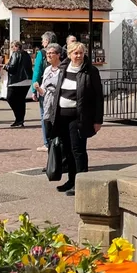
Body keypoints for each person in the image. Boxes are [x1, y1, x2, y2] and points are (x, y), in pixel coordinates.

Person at [43, 42, 104, 196]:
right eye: (75, 53)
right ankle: (71, 180)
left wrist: (98, 120)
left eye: (81, 53)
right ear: (69, 54)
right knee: (67, 150)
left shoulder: (91, 71)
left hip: (79, 117)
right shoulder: (63, 68)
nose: (78, 56)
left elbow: (98, 97)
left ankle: (81, 184)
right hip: (62, 116)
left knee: (78, 150)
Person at [31, 31, 57, 149]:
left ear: (47, 41)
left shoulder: (41, 53)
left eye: (43, 40)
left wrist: (34, 90)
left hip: (45, 88)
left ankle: (47, 142)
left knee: (44, 115)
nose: (42, 43)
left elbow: (37, 72)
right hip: (58, 87)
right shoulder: (61, 51)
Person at [36, 43, 62, 153]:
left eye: (51, 53)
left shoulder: (63, 70)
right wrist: (37, 88)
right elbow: (43, 91)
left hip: (59, 106)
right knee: (49, 133)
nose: (49, 55)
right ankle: (52, 158)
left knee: (59, 134)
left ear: (58, 55)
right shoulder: (47, 70)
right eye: (47, 53)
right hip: (47, 106)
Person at [5, 40, 33, 128]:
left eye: (12, 47)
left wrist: (6, 66)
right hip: (27, 80)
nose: (11, 49)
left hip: (16, 81)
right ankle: (20, 119)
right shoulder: (27, 54)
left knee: (10, 98)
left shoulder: (15, 54)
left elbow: (12, 67)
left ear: (16, 46)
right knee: (21, 100)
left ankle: (18, 118)